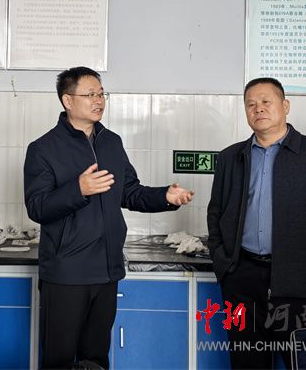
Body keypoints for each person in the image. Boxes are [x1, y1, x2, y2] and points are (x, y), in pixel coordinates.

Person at [24, 66, 194, 370]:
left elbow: (130, 192)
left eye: (102, 94)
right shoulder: (43, 149)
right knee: (59, 360)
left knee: (96, 358)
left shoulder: (111, 142)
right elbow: (37, 207)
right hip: (66, 273)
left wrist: (164, 197)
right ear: (67, 100)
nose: (99, 100)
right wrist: (78, 189)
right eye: (90, 94)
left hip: (106, 271)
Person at [207, 77, 306, 369]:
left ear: (285, 106)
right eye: (250, 104)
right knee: (245, 363)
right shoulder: (230, 157)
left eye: (265, 102)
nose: (258, 109)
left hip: (302, 285)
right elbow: (216, 212)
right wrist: (224, 264)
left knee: (305, 363)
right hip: (242, 283)